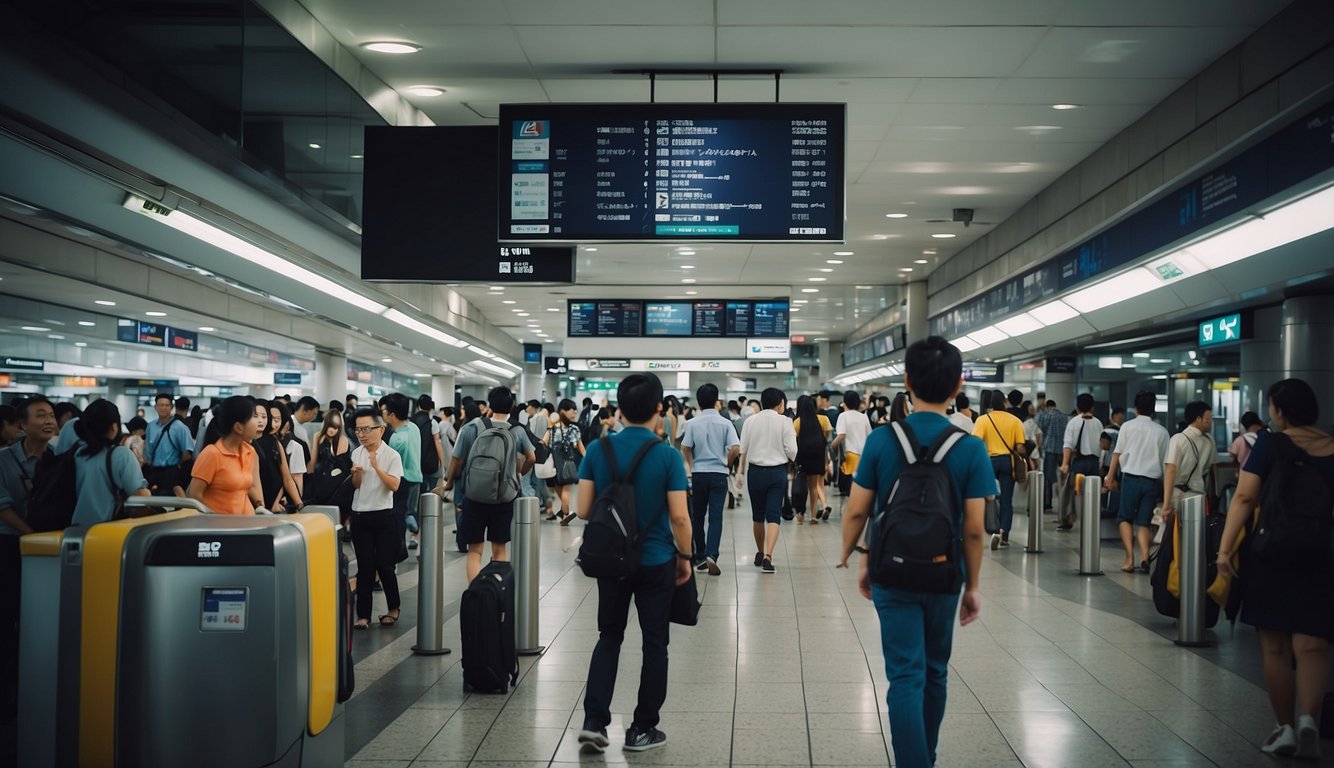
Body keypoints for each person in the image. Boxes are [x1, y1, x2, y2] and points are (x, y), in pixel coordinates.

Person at [837, 336, 992, 768]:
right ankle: (928, 755)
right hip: (945, 574)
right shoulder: (971, 448)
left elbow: (858, 511)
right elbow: (975, 530)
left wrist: (855, 555)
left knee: (905, 674)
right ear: (958, 385)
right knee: (935, 670)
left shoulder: (884, 441)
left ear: (906, 381)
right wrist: (973, 585)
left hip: (893, 572)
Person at [575, 373, 692, 755]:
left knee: (609, 636)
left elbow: (581, 509)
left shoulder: (597, 449)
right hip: (657, 559)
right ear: (661, 408)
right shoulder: (668, 455)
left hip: (612, 560)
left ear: (619, 409)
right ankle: (642, 729)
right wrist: (686, 557)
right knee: (655, 644)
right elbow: (680, 517)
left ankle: (595, 722)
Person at [1217, 379, 1333, 759]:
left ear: (1279, 410)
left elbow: (1246, 496)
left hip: (1273, 552)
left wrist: (1224, 549)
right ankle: (1308, 721)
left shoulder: (1269, 443)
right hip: (1320, 553)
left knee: (1276, 646)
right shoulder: (1332, 447)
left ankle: (1285, 729)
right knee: (1313, 643)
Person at [0, 396, 56, 731]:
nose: (49, 421)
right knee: (7, 619)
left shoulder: (60, 459)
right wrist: (32, 536)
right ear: (22, 425)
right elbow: (3, 507)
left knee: (39, 620)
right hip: (9, 543)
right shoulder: (3, 460)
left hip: (45, 547)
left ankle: (36, 691)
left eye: (51, 415)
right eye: (40, 416)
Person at [441, 386, 536, 583]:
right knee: (499, 550)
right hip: (504, 497)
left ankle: (475, 597)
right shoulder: (517, 430)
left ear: (489, 404)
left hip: (474, 495)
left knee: (474, 551)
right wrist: (519, 473)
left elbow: (456, 458)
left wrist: (449, 482)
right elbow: (532, 457)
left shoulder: (473, 426)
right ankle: (495, 597)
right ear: (512, 406)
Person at [349, 407, 404, 628]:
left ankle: (393, 608)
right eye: (357, 430)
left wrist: (376, 467)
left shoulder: (392, 455)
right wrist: (358, 475)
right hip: (360, 515)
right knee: (365, 567)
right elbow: (356, 486)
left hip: (383, 516)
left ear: (380, 429)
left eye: (366, 429)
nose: (361, 434)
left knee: (384, 565)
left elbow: (394, 485)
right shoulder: (356, 453)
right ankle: (363, 615)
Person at [1104, 391, 1170, 574]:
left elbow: (1117, 453)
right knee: (1144, 522)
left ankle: (1129, 559)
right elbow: (1166, 464)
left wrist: (1110, 477)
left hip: (1131, 479)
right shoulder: (1162, 432)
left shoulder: (1127, 426)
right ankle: (1144, 556)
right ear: (1154, 409)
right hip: (1151, 482)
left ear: (1135, 408)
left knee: (1124, 518)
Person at [681, 383, 739, 575]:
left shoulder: (692, 423)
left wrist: (691, 464)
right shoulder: (725, 423)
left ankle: (699, 554)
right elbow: (736, 448)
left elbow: (685, 447)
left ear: (698, 402)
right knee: (716, 517)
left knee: (697, 516)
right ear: (716, 402)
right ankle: (712, 554)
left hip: (699, 473)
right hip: (719, 474)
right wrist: (728, 464)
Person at [738, 387, 798, 574]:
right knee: (773, 515)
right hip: (776, 473)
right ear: (780, 403)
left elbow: (743, 449)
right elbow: (792, 451)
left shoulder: (750, 421)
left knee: (758, 515)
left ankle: (760, 551)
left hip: (755, 472)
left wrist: (740, 471)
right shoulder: (785, 421)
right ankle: (768, 556)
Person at [71, 400, 151, 527]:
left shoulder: (78, 453)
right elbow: (140, 498)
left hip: (76, 528)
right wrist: (147, 493)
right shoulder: (121, 455)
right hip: (107, 530)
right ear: (114, 427)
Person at [188, 396, 266, 515]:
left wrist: (260, 507)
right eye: (254, 417)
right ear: (238, 427)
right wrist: (212, 519)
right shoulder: (212, 454)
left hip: (244, 525)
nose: (259, 421)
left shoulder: (249, 451)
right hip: (219, 528)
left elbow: (247, 489)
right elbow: (194, 496)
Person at [972, 391, 1026, 549]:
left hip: (989, 462)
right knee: (1007, 500)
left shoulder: (983, 420)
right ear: (1005, 402)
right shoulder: (1015, 421)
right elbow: (1020, 447)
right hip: (1008, 462)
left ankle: (992, 529)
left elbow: (975, 442)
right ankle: (1004, 533)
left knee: (989, 498)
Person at [381, 393, 422, 551]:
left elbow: (389, 463)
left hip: (402, 480)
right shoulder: (414, 427)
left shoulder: (396, 438)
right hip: (416, 477)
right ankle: (413, 530)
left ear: (392, 415)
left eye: (385, 412)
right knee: (410, 511)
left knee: (398, 517)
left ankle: (398, 550)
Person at [1161, 401, 1215, 515]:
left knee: (1176, 532)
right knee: (1195, 532)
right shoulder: (1210, 441)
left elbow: (1170, 470)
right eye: (1208, 419)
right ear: (1198, 419)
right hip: (1199, 495)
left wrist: (1165, 505)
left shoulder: (1178, 439)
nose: (1211, 422)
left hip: (1177, 496)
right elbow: (1208, 468)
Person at [1058, 394, 1103, 529]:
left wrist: (1065, 464)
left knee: (1072, 492)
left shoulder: (1073, 422)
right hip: (1094, 463)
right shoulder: (1098, 423)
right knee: (1093, 492)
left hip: (1079, 463)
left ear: (1077, 407)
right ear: (1092, 407)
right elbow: (1101, 445)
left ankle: (1070, 518)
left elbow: (1068, 445)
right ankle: (1092, 519)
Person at [254, 400, 303, 512]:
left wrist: (299, 504)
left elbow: (286, 478)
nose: (274, 423)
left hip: (273, 505)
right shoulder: (249, 443)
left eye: (278, 420)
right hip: (256, 504)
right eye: (272, 419)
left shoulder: (275, 443)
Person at [792, 394, 832, 524]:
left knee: (802, 487)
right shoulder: (823, 419)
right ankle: (813, 516)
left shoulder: (797, 422)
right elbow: (825, 439)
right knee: (814, 487)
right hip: (817, 457)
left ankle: (800, 513)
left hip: (803, 457)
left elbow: (794, 440)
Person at [144, 392, 194, 496]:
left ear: (172, 407)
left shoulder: (180, 427)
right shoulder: (150, 426)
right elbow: (148, 451)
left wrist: (177, 465)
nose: (163, 408)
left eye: (167, 405)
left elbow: (187, 453)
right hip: (155, 471)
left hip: (172, 471)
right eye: (160, 405)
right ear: (155, 407)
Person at [545, 399, 585, 523]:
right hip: (568, 463)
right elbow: (581, 449)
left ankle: (564, 512)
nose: (574, 413)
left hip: (552, 464)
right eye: (572, 410)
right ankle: (565, 514)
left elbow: (543, 442)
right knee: (566, 490)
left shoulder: (552, 427)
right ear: (563, 411)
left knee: (560, 490)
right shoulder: (574, 429)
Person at [831, 391, 872, 495]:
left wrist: (832, 446)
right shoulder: (864, 417)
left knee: (850, 489)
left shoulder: (843, 416)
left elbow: (841, 435)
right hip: (863, 456)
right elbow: (870, 436)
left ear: (845, 402)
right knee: (861, 487)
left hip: (850, 455)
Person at [1035, 400, 1070, 512]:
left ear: (1047, 407)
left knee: (1048, 479)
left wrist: (1040, 411)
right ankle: (1065, 505)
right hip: (1063, 449)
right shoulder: (1065, 417)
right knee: (1065, 477)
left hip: (1050, 448)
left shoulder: (1046, 416)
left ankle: (1047, 504)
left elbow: (1039, 425)